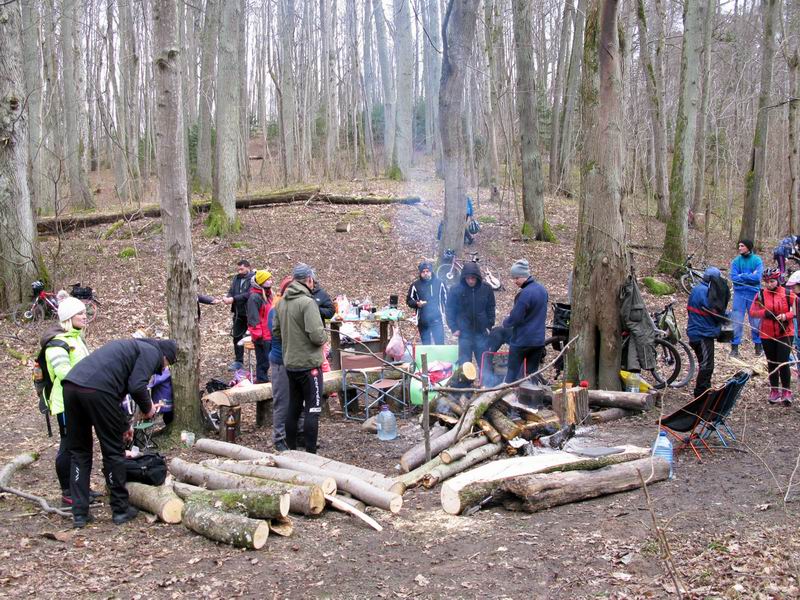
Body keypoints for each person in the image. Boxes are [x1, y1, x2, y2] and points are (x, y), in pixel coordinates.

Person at [62, 338, 178, 528]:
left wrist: (124, 425)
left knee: (79, 452)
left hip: (71, 386)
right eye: (168, 363)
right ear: (164, 356)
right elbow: (136, 386)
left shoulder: (131, 349)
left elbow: (117, 390)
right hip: (97, 390)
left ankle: (79, 513)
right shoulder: (151, 352)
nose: (165, 368)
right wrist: (148, 408)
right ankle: (120, 509)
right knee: (113, 451)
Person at [272, 264, 327, 453]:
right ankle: (311, 453)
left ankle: (292, 450)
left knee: (293, 408)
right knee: (313, 409)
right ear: (309, 280)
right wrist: (324, 336)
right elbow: (316, 335)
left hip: (290, 364)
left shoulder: (281, 302)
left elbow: (276, 332)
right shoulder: (307, 302)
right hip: (309, 364)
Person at [41, 297, 90, 507]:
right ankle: (67, 491)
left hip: (82, 400)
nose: (85, 316)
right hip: (65, 402)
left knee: (83, 444)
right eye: (80, 313)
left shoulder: (77, 338)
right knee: (69, 446)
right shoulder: (57, 343)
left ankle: (81, 487)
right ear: (69, 318)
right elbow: (64, 373)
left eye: (85, 312)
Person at [750, 268, 796, 405]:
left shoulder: (788, 294)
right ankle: (774, 390)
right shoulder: (760, 295)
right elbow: (752, 312)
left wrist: (785, 316)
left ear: (778, 280)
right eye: (767, 282)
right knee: (772, 363)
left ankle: (786, 391)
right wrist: (765, 313)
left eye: (772, 281)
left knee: (783, 362)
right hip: (767, 334)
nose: (769, 284)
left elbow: (794, 312)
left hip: (785, 333)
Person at [502, 259, 548, 383]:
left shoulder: (526, 294)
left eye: (516, 278)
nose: (515, 281)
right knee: (531, 374)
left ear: (524, 276)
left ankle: (506, 396)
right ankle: (532, 399)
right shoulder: (542, 290)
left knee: (512, 373)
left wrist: (505, 323)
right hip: (538, 341)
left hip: (522, 341)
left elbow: (516, 318)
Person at [445, 262, 496, 368]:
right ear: (464, 278)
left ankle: (486, 383)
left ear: (478, 277)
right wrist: (454, 327)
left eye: (473, 278)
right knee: (464, 364)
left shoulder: (486, 289)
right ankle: (465, 384)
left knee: (484, 364)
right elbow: (450, 309)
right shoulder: (456, 289)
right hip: (464, 333)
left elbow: (491, 307)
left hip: (481, 332)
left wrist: (489, 325)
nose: (470, 281)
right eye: (468, 278)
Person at [686, 267, 726, 400]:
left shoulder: (698, 289)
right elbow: (715, 312)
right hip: (701, 334)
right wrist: (727, 318)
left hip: (699, 332)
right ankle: (701, 394)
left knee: (706, 363)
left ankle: (705, 389)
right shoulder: (705, 292)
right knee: (707, 365)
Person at [270, 276, 293, 452]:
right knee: (282, 400)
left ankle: (298, 434)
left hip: (296, 361)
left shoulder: (297, 309)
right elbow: (278, 336)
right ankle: (279, 437)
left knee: (298, 400)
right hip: (280, 360)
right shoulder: (276, 310)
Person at [730, 239, 763, 357]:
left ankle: (758, 347)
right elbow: (733, 278)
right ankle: (734, 348)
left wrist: (742, 276)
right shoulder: (735, 261)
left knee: (755, 320)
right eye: (739, 246)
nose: (739, 248)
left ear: (748, 247)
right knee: (736, 320)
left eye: (742, 246)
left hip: (753, 294)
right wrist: (749, 276)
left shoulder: (757, 260)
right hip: (739, 293)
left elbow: (757, 278)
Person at [406, 261, 448, 344]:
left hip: (437, 319)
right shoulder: (415, 285)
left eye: (427, 271)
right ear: (420, 273)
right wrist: (417, 303)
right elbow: (409, 301)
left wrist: (449, 315)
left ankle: (439, 357)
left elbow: (447, 300)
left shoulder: (440, 283)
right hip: (422, 320)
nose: (425, 273)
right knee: (426, 345)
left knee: (440, 344)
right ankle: (428, 357)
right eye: (423, 272)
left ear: (431, 271)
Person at [223, 260, 254, 369]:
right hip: (238, 312)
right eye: (238, 269)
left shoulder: (253, 279)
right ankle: (239, 361)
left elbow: (249, 294)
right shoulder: (236, 278)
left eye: (242, 269)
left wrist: (233, 299)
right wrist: (227, 297)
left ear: (248, 267)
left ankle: (260, 360)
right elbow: (232, 290)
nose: (239, 271)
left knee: (255, 338)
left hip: (251, 313)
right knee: (236, 336)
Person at [246, 270, 273, 384]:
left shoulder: (268, 294)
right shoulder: (254, 297)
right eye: (267, 279)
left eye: (270, 278)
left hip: (270, 333)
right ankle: (262, 380)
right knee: (263, 361)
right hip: (262, 336)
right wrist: (258, 336)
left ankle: (264, 379)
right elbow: (253, 319)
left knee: (268, 360)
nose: (270, 281)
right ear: (262, 281)